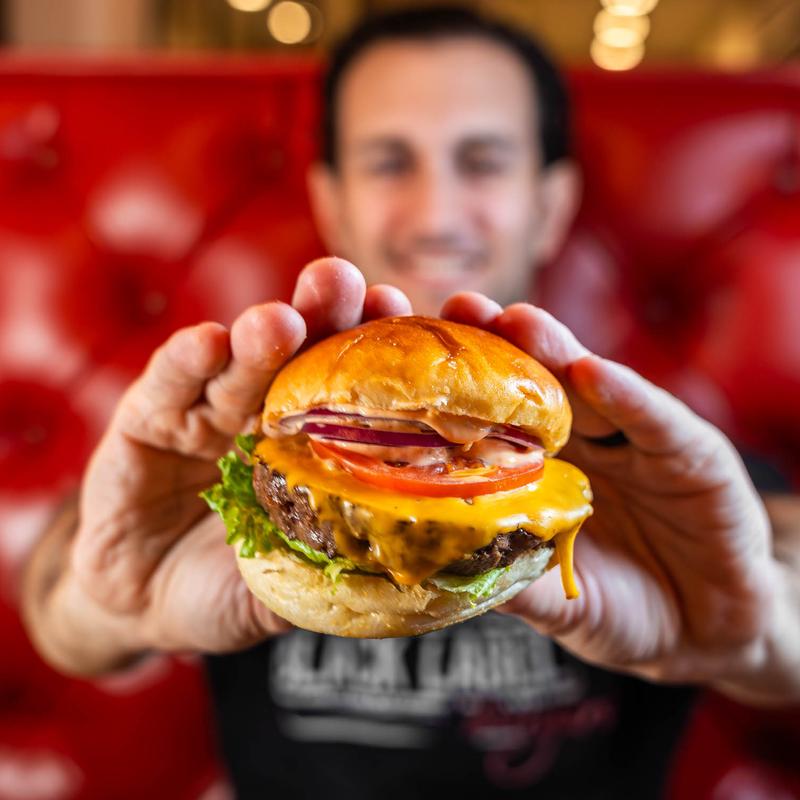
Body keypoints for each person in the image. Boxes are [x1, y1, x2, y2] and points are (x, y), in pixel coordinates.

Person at [21, 6, 800, 799]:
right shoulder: (229, 433)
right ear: (333, 202)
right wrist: (101, 604)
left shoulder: (667, 471)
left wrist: (759, 621)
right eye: (390, 162)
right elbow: (52, 610)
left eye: (482, 161)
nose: (435, 213)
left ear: (550, 205)